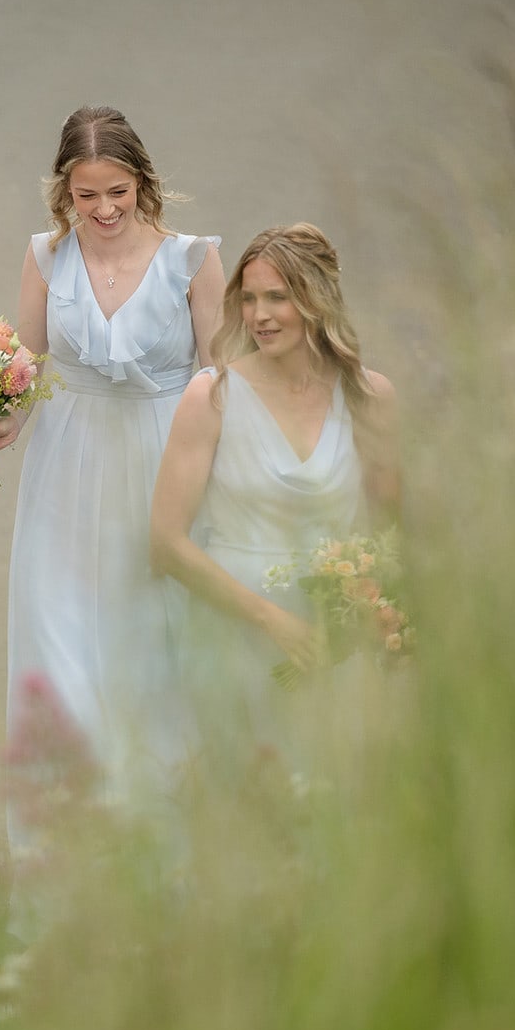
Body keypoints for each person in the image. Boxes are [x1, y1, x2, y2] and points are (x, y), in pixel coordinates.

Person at [0, 107, 223, 896]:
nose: (103, 210)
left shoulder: (193, 260)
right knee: (61, 651)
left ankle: (163, 869)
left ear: (143, 183)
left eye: (117, 191)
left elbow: (220, 378)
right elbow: (27, 364)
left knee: (156, 659)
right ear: (62, 194)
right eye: (86, 196)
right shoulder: (44, 257)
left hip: (163, 465)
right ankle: (62, 873)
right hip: (67, 471)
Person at [148, 222, 400, 777]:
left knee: (337, 803)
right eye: (250, 299)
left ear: (316, 300)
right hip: (235, 635)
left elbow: (392, 530)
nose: (259, 316)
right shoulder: (212, 397)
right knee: (251, 805)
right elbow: (165, 543)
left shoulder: (368, 397)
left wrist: (366, 612)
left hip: (333, 643)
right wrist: (273, 622)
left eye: (277, 298)